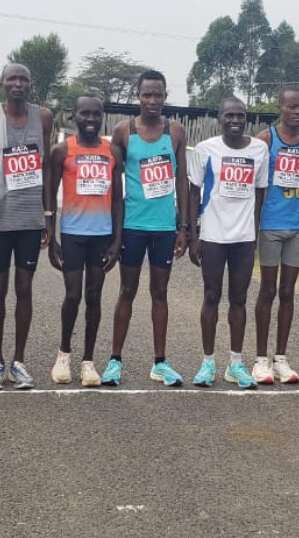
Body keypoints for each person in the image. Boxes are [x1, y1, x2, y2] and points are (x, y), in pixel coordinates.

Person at [104, 70, 190, 387]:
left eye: (158, 95)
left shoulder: (175, 131)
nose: (152, 100)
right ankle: (114, 360)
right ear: (137, 96)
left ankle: (160, 363)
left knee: (160, 293)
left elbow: (182, 181)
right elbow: (114, 185)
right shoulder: (123, 132)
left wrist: (183, 227)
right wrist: (115, 233)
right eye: (147, 94)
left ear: (165, 97)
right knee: (127, 291)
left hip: (164, 227)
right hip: (133, 226)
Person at [0, 64, 53, 390]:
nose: (18, 84)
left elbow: (46, 167)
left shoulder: (43, 117)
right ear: (2, 84)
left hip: (30, 218)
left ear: (30, 85)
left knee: (24, 288)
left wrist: (48, 215)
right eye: (12, 79)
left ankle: (19, 363)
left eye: (23, 79)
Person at [189, 97, 270, 389]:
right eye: (229, 115)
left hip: (243, 237)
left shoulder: (259, 150)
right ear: (219, 118)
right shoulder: (205, 149)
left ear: (247, 119)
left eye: (240, 115)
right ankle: (207, 363)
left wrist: (254, 232)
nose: (235, 120)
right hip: (212, 235)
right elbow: (193, 191)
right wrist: (193, 235)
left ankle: (235, 364)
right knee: (211, 296)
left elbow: (260, 193)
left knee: (239, 299)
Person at [46, 96, 123, 386]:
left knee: (94, 297)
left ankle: (88, 361)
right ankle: (63, 354)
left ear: (102, 117)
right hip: (73, 234)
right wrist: (51, 236)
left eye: (96, 114)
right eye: (84, 113)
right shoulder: (61, 151)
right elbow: (49, 195)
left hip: (102, 235)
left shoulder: (112, 150)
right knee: (73, 296)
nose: (90, 119)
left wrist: (117, 240)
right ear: (73, 116)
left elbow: (118, 198)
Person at [252, 87, 299, 384]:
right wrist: (253, 225)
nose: (297, 112)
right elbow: (255, 184)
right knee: (268, 290)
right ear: (280, 107)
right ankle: (260, 359)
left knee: (288, 291)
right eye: (291, 106)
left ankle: (281, 359)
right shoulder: (266, 139)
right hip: (271, 224)